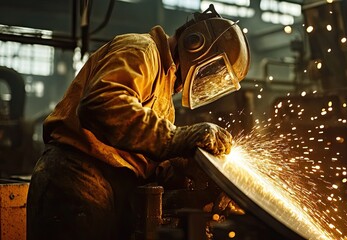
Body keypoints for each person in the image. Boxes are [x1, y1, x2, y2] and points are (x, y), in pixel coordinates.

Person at [26, 4, 250, 240]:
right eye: (210, 72)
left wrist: (188, 171)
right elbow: (102, 105)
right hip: (77, 178)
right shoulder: (142, 50)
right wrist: (176, 138)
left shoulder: (164, 90)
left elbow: (144, 156)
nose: (204, 80)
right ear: (195, 43)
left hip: (109, 187)